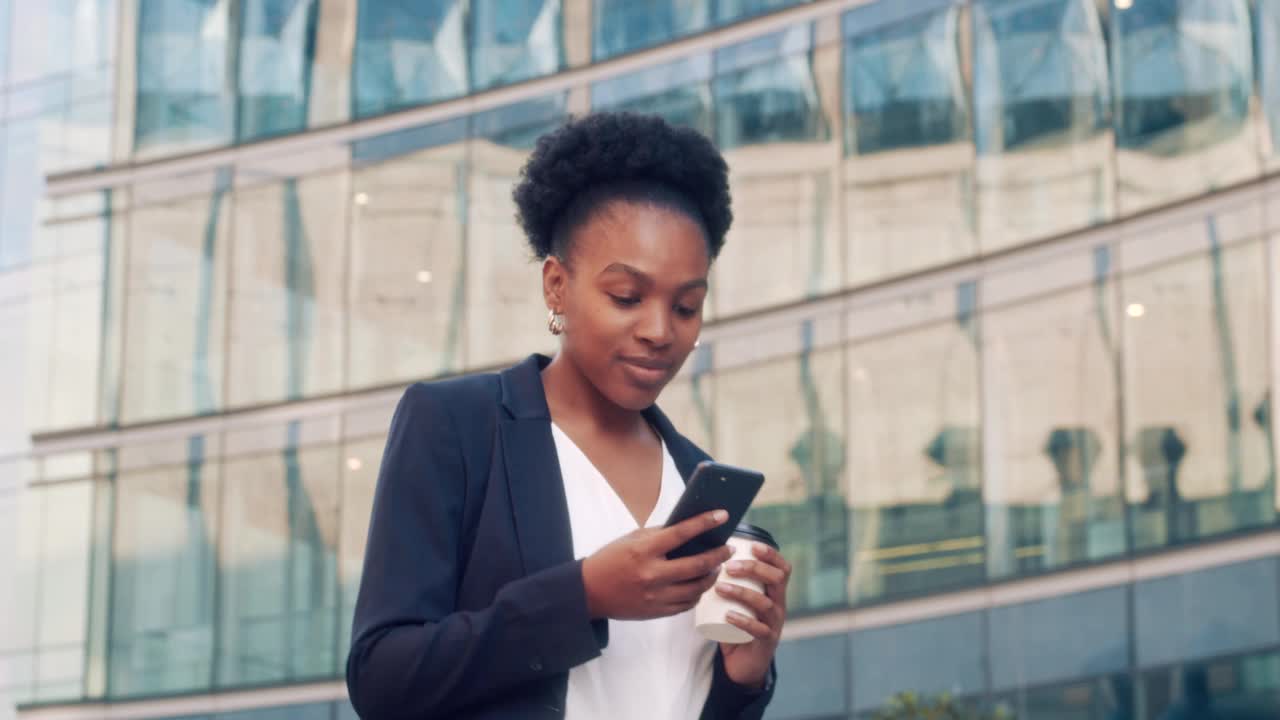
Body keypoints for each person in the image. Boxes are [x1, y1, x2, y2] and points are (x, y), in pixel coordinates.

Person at [346, 112, 791, 719]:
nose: (661, 331)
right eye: (626, 297)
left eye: (686, 306)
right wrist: (581, 596)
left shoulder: (698, 479)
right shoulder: (459, 428)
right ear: (557, 285)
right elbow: (381, 677)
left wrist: (744, 679)